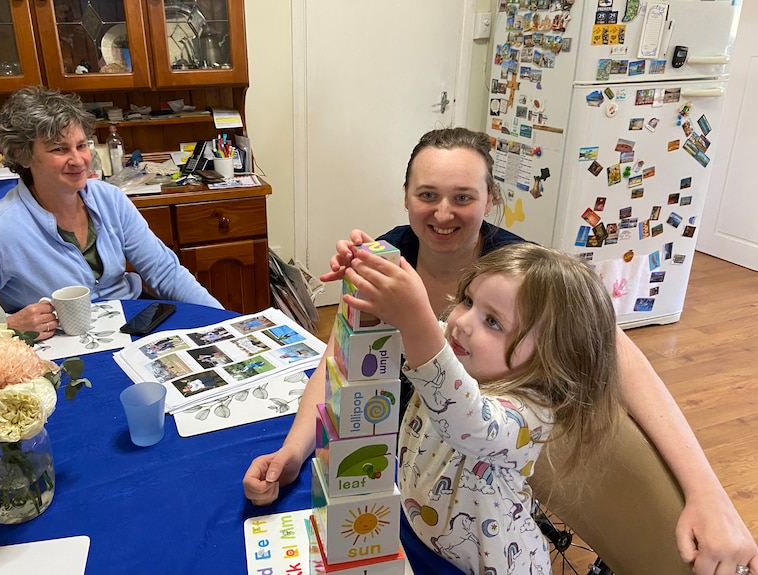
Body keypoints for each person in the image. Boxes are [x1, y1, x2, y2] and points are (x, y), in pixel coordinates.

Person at [242, 127, 758, 575]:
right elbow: (342, 364)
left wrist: (706, 491)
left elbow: (618, 358)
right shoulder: (395, 257)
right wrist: (292, 452)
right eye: (427, 194)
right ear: (405, 197)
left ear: (490, 200)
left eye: (463, 197)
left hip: (475, 499)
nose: (443, 213)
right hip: (404, 481)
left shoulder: (523, 275)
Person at [341, 242, 621, 574]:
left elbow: (466, 418)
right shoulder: (459, 351)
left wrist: (416, 318)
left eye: (493, 322)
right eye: (468, 301)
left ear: (551, 360)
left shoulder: (530, 413)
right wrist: (371, 271)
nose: (462, 322)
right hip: (426, 539)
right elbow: (403, 340)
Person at [0, 86, 221, 341]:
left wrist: (224, 322)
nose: (78, 160)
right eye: (59, 150)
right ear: (24, 155)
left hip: (134, 326)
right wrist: (4, 325)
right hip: (63, 347)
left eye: (82, 145)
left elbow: (166, 272)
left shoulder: (110, 199)